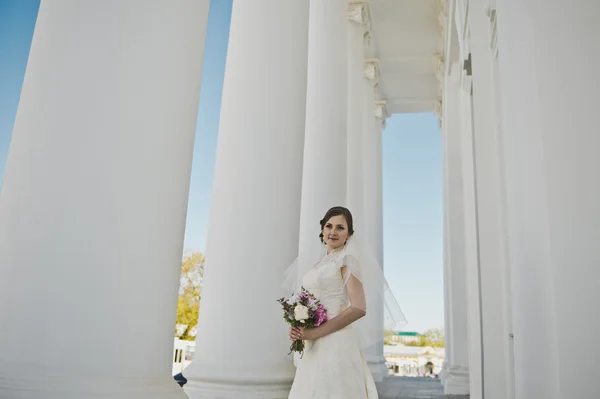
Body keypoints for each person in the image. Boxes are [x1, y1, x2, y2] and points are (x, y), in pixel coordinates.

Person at [284, 206, 406, 398]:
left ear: (349, 234)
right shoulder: (320, 262)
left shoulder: (347, 260)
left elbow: (358, 308)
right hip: (313, 343)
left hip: (336, 341)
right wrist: (298, 327)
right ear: (322, 229)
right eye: (329, 226)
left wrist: (315, 332)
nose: (333, 231)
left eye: (340, 227)